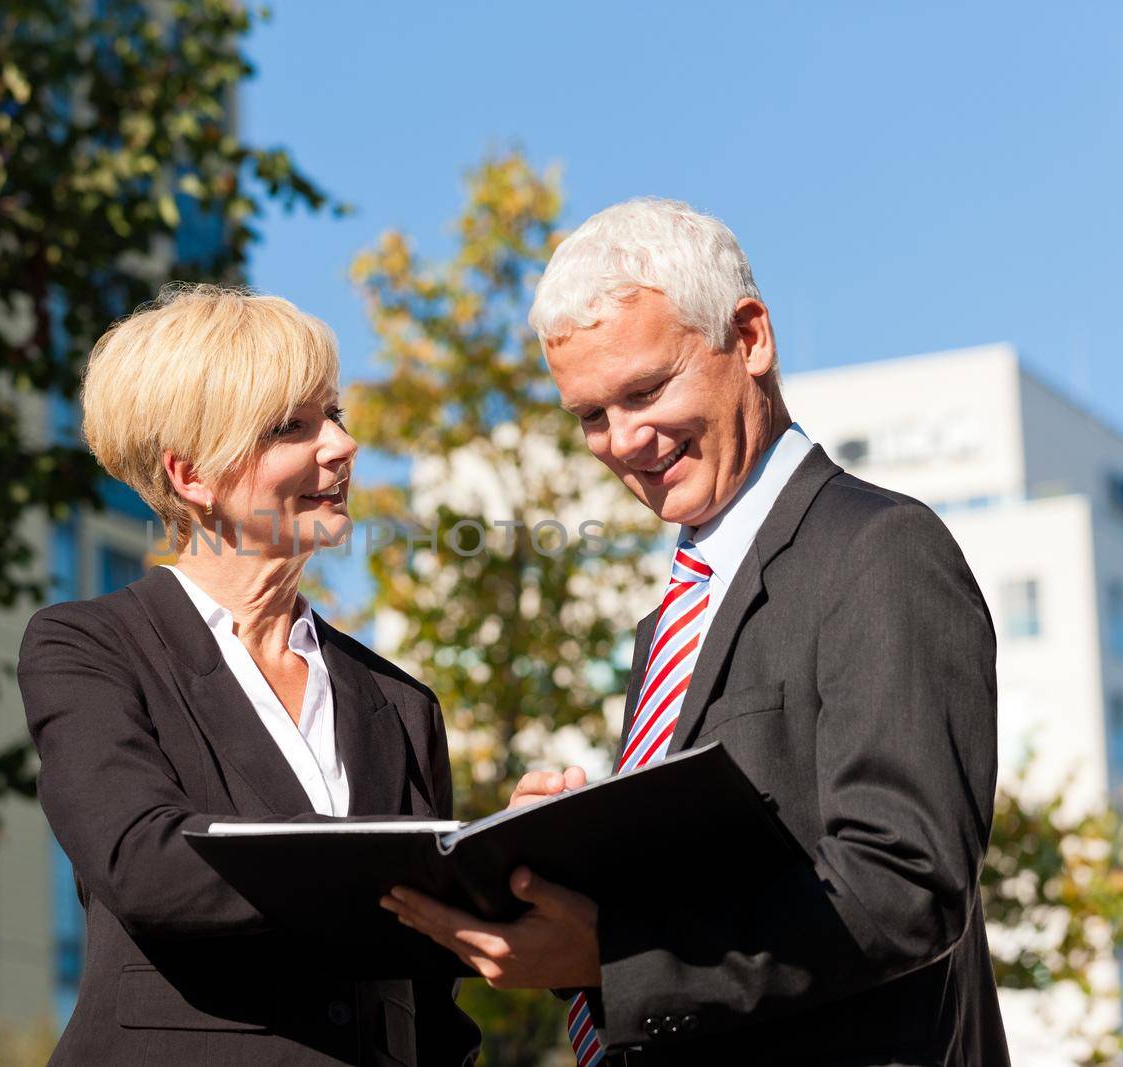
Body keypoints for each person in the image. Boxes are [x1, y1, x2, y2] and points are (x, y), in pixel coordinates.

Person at [380, 199, 1008, 1066]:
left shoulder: (877, 549)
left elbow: (906, 883)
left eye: (645, 390)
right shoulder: (675, 614)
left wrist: (617, 956)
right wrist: (565, 865)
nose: (623, 440)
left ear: (750, 338)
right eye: (590, 415)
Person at [18, 285, 480, 1065]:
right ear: (192, 474)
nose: (339, 446)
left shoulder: (400, 703)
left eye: (333, 415)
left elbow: (429, 991)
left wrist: (503, 852)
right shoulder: (90, 649)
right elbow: (149, 864)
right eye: (291, 428)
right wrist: (420, 859)